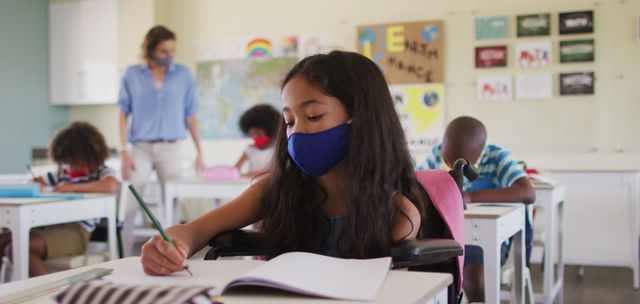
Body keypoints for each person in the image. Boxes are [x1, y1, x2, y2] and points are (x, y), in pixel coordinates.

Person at [140, 50, 437, 275]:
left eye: (314, 116)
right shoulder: (276, 189)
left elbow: (391, 302)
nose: (298, 133)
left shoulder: (397, 212)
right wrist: (170, 245)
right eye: (289, 120)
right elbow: (194, 230)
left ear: (362, 119)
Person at [418, 116, 535, 302]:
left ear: (477, 157)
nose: (450, 168)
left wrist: (470, 196)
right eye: (447, 161)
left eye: (458, 166)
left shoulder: (498, 157)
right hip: (448, 234)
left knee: (473, 275)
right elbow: (416, 184)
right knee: (421, 265)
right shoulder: (437, 153)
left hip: (485, 240)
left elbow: (527, 193)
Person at [117, 25, 205, 255]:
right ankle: (123, 256)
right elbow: (122, 113)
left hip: (171, 147)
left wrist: (200, 151)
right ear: (150, 49)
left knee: (171, 207)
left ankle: (171, 254)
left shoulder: (183, 75)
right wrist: (123, 150)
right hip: (140, 148)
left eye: (172, 51)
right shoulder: (132, 75)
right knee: (131, 204)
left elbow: (191, 114)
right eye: (164, 51)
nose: (169, 56)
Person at [0, 122, 119, 276]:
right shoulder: (61, 174)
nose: (68, 167)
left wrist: (72, 187)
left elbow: (111, 186)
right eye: (65, 161)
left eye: (72, 160)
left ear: (87, 155)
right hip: (47, 227)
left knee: (16, 248)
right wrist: (36, 184)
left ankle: (49, 295)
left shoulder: (100, 172)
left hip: (75, 233)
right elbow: (35, 181)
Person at [234, 104, 280, 177]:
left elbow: (272, 172)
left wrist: (244, 175)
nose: (256, 137)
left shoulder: (276, 149)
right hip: (250, 184)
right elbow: (235, 169)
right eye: (253, 134)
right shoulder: (250, 149)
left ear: (270, 131)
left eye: (259, 134)